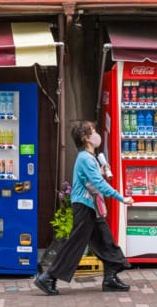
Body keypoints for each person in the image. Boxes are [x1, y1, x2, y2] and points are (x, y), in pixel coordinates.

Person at [34, 120, 133, 295]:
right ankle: (48, 277)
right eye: (93, 131)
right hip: (85, 207)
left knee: (105, 241)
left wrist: (101, 171)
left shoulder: (89, 158)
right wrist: (121, 198)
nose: (96, 134)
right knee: (76, 244)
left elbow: (92, 180)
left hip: (90, 206)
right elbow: (98, 184)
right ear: (86, 138)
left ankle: (110, 278)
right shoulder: (86, 159)